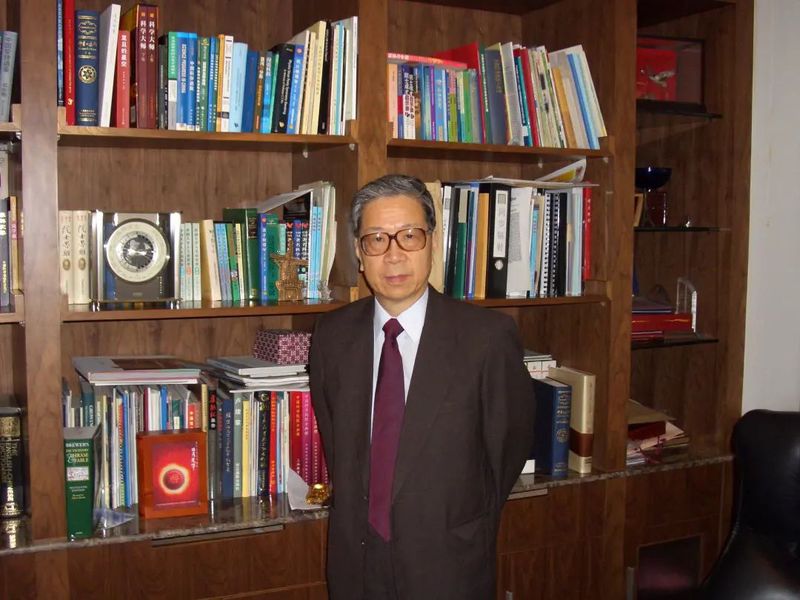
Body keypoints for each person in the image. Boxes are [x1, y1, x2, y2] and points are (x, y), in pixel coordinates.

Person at [310, 174, 535, 600]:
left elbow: (506, 452)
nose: (394, 255)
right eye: (377, 239)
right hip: (355, 563)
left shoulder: (486, 338)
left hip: (448, 564)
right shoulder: (332, 335)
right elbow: (336, 443)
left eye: (409, 236)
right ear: (359, 253)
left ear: (433, 242)